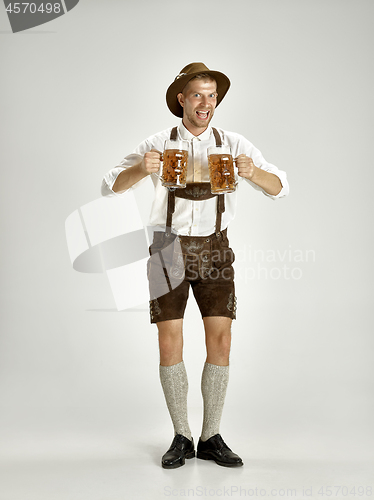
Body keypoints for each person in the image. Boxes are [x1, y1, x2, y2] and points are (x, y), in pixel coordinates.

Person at [101, 62, 289, 469]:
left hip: (217, 248)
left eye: (212, 95)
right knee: (170, 342)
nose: (206, 103)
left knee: (220, 342)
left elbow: (281, 187)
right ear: (182, 100)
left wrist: (254, 173)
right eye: (198, 95)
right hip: (166, 248)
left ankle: (211, 436)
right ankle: (182, 435)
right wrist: (140, 169)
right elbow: (109, 185)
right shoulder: (158, 141)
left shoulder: (233, 142)